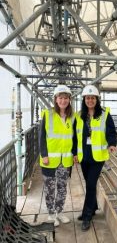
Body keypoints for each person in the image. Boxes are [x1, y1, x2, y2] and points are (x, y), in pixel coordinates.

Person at [72, 84, 117, 231]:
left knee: (91, 184)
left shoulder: (104, 114)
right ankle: (93, 206)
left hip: (98, 157)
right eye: (87, 98)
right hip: (84, 156)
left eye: (93, 98)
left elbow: (111, 131)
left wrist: (111, 143)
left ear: (97, 100)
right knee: (89, 184)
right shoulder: (79, 116)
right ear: (84, 99)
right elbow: (75, 136)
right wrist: (74, 153)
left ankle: (86, 216)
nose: (90, 100)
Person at [39, 84, 75, 227]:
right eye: (60, 98)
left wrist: (74, 154)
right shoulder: (47, 114)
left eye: (66, 98)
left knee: (62, 188)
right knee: (49, 188)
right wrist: (44, 155)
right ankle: (51, 214)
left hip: (65, 160)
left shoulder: (72, 117)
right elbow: (41, 137)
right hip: (50, 159)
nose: (63, 101)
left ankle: (59, 212)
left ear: (69, 100)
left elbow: (75, 138)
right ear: (56, 99)